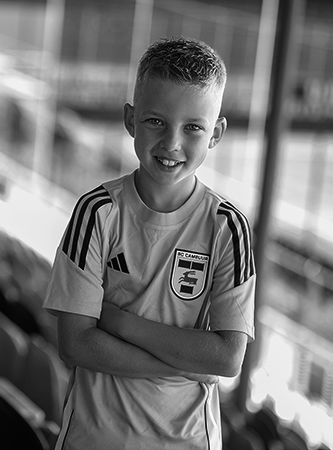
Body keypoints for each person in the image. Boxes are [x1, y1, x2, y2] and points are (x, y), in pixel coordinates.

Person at [43, 36, 256, 450]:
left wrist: (119, 323)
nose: (172, 143)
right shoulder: (97, 212)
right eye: (156, 121)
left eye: (193, 127)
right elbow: (75, 342)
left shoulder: (227, 228)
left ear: (216, 133)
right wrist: (185, 364)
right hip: (93, 439)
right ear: (130, 119)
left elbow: (226, 358)